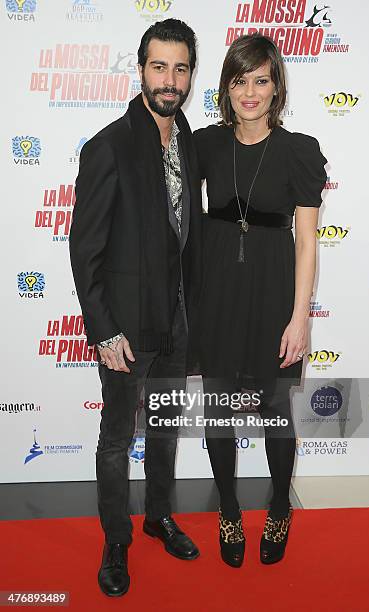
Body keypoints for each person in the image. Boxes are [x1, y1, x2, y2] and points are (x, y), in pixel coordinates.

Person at [69, 19, 202, 597]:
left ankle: (158, 516)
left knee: (167, 430)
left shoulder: (190, 138)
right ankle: (116, 540)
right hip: (125, 328)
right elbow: (85, 249)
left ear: (190, 75)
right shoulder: (109, 146)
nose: (169, 80)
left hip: (177, 322)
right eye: (159, 66)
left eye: (180, 68)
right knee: (117, 439)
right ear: (141, 69)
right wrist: (103, 328)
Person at [193, 34, 327, 568]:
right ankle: (227, 507)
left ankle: (277, 507)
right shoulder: (204, 143)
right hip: (218, 296)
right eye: (240, 80)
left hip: (274, 298)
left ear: (277, 88)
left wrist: (300, 318)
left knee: (275, 414)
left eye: (261, 80)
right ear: (227, 87)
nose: (250, 92)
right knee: (220, 412)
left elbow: (308, 242)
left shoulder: (299, 151)